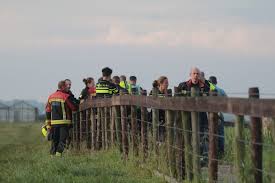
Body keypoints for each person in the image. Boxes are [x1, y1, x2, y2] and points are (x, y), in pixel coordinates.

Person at [178, 67, 210, 165]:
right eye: (194, 73)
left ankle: (201, 159)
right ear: (190, 75)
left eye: (197, 74)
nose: (196, 75)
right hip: (187, 117)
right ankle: (187, 158)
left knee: (201, 137)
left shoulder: (205, 86)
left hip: (201, 116)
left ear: (200, 75)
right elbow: (177, 98)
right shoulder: (183, 85)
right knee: (187, 136)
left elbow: (210, 98)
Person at [45, 80, 78, 156]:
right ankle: (58, 156)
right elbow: (73, 108)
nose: (68, 88)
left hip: (54, 123)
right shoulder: (65, 96)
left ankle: (52, 156)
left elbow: (48, 111)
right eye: (67, 86)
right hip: (64, 123)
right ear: (63, 87)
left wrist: (48, 125)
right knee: (62, 141)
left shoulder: (51, 96)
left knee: (54, 141)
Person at [150, 76, 172, 142]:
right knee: (159, 139)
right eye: (166, 83)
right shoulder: (154, 92)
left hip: (166, 119)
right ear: (161, 84)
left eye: (168, 83)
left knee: (166, 138)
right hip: (156, 118)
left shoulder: (168, 92)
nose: (167, 84)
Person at [209, 76, 227, 156]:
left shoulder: (207, 90)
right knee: (220, 134)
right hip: (219, 114)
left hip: (209, 115)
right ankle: (221, 153)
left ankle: (212, 152)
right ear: (216, 82)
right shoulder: (221, 91)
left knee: (210, 133)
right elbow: (226, 102)